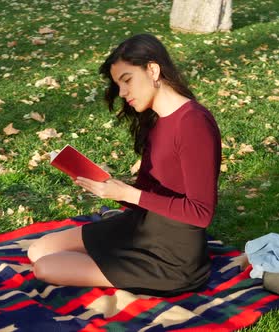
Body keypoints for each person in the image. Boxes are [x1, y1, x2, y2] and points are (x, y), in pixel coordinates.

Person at [27, 34, 222, 296]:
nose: (122, 92)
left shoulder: (193, 123)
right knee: (37, 250)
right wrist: (109, 188)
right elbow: (147, 195)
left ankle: (122, 269)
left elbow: (201, 213)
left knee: (45, 267)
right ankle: (114, 259)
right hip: (139, 227)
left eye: (127, 80)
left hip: (171, 260)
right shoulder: (155, 119)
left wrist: (128, 194)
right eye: (118, 84)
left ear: (153, 70)